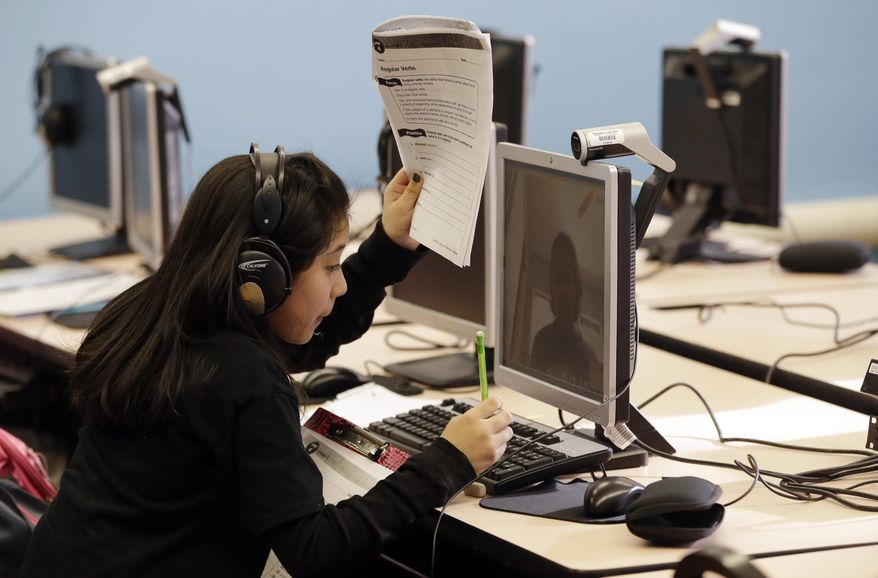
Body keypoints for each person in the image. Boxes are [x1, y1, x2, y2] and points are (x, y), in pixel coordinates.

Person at [21, 146, 513, 577]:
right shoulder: (246, 380)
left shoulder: (145, 313)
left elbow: (297, 337)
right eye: (331, 265)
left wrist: (388, 247)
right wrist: (446, 464)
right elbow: (314, 551)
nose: (340, 285)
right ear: (264, 275)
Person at [530, 232, 598, 390]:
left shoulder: (589, 356)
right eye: (557, 280)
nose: (562, 289)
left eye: (567, 279)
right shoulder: (541, 340)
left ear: (577, 290)